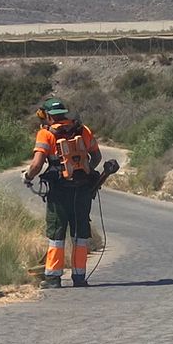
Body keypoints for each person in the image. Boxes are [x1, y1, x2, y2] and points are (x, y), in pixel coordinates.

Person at [22, 97, 101, 288]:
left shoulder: (46, 134)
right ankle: (79, 277)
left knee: (57, 235)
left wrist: (27, 177)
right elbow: (96, 156)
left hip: (59, 192)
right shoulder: (83, 130)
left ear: (48, 116)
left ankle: (53, 278)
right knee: (80, 234)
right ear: (64, 113)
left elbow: (37, 164)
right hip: (82, 190)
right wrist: (85, 172)